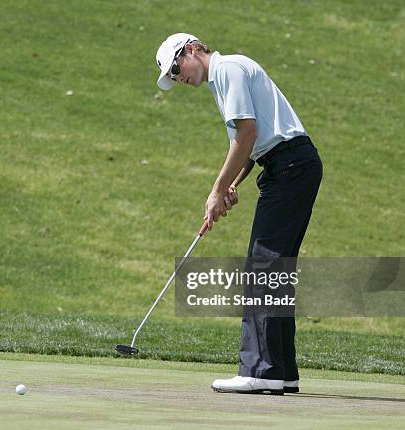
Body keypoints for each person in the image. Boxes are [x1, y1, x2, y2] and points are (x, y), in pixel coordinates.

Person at [155, 33, 323, 395]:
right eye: (173, 76)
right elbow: (250, 144)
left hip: (290, 166)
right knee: (275, 269)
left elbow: (246, 135)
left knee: (263, 266)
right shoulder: (226, 75)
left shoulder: (227, 68)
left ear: (192, 49)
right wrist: (233, 183)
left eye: (175, 68)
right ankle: (281, 370)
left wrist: (216, 191)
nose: (178, 77)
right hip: (291, 164)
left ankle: (261, 371)